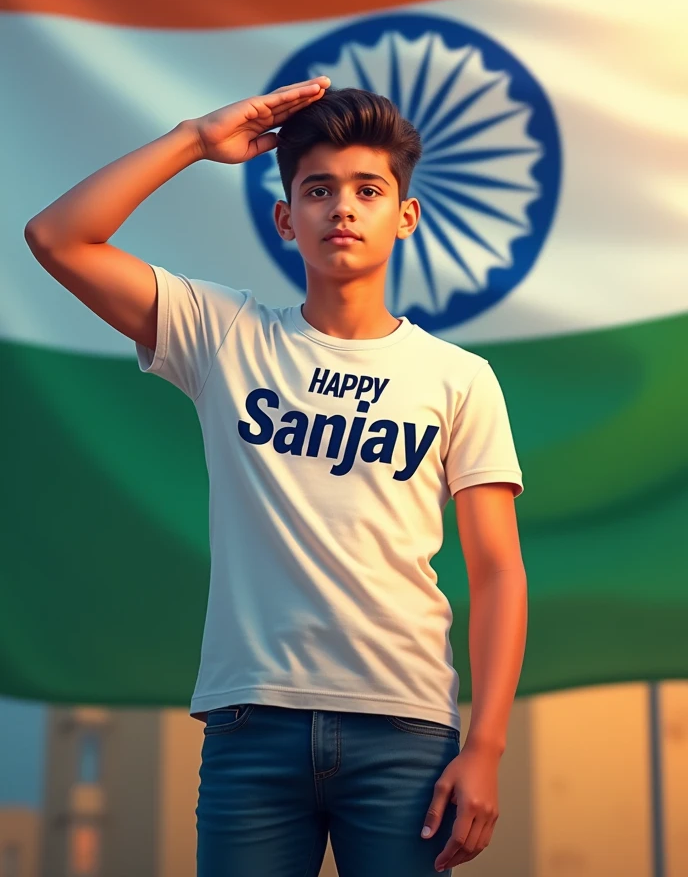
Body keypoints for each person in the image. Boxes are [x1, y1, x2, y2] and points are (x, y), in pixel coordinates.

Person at [25, 77, 528, 876]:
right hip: (250, 727)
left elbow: (498, 571)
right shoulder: (223, 335)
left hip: (403, 733)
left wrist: (489, 746)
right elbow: (57, 237)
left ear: (406, 216)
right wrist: (194, 139)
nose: (343, 208)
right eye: (318, 189)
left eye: (368, 189)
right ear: (285, 219)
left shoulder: (458, 377)